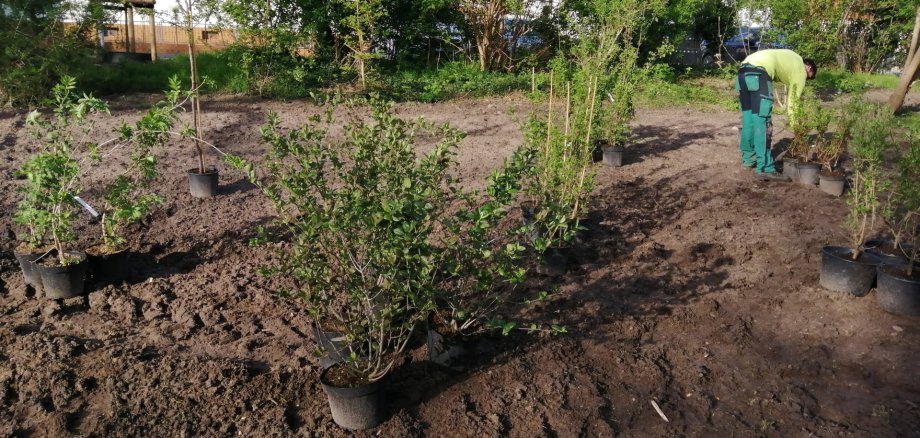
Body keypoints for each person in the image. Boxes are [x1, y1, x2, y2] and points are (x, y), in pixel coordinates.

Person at [736, 49, 816, 181]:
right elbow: (793, 103)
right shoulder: (801, 69)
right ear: (808, 67)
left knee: (749, 119)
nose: (806, 79)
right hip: (759, 73)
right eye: (809, 76)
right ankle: (765, 168)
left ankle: (748, 159)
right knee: (762, 121)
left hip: (742, 72)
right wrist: (798, 129)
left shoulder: (790, 57)